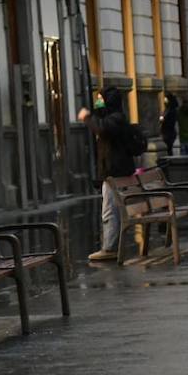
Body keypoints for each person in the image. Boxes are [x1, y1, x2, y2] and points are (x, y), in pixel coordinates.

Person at [79, 86, 137, 263]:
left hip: (114, 173)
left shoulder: (115, 119)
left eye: (101, 99)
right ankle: (113, 244)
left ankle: (110, 248)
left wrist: (87, 117)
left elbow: (101, 128)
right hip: (113, 172)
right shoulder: (114, 117)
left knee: (109, 211)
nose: (98, 102)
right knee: (112, 209)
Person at [160, 92, 179, 157]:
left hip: (169, 132)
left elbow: (171, 121)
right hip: (167, 131)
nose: (164, 101)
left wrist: (163, 119)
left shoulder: (172, 110)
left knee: (169, 148)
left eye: (166, 99)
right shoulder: (168, 109)